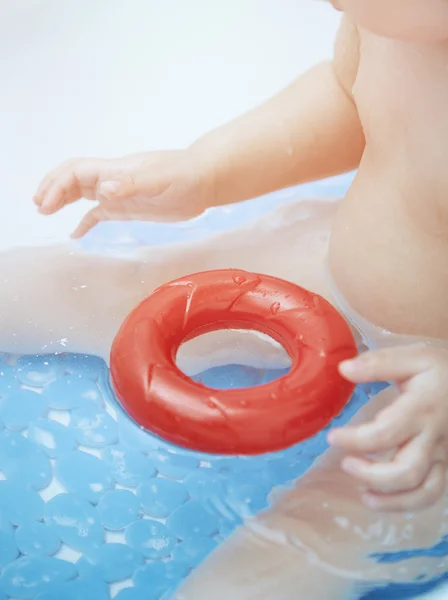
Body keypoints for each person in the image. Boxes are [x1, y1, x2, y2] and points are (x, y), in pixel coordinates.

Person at [3, 0, 448, 595]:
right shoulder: (398, 20)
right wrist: (206, 172)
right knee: (120, 287)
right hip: (339, 266)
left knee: (320, 528)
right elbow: (350, 92)